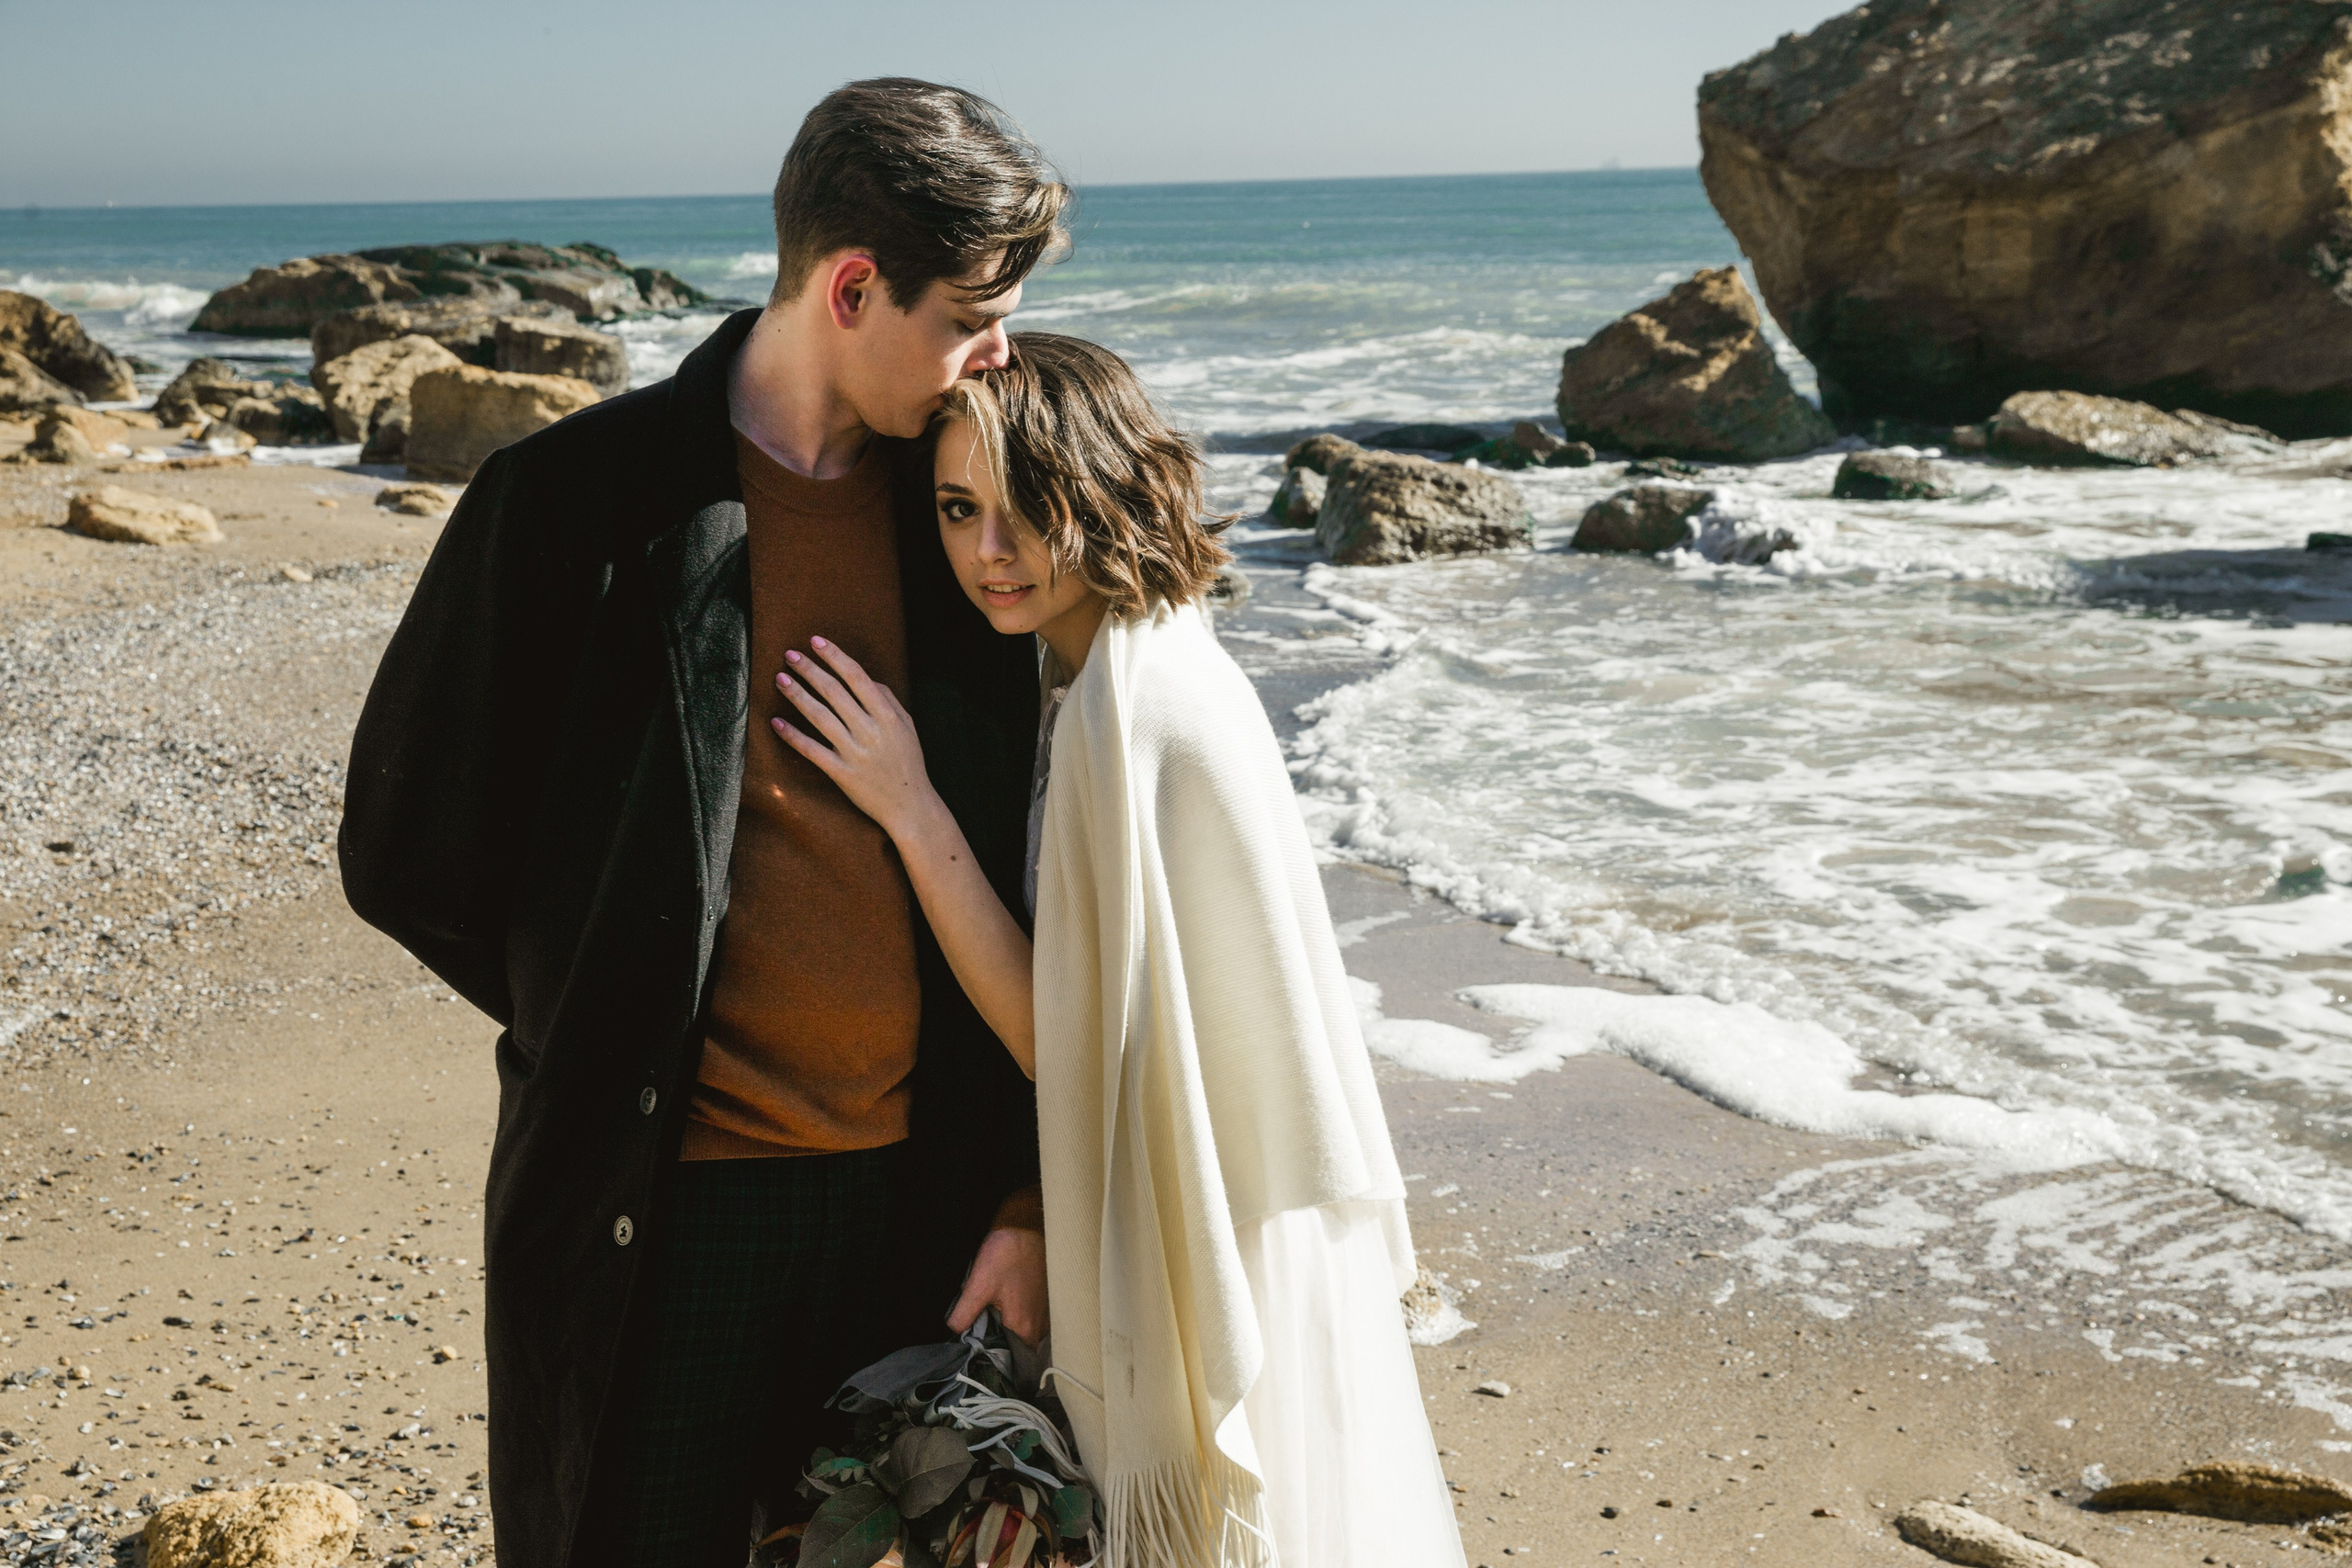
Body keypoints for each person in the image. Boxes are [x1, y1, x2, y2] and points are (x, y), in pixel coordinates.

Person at [338, 80, 1069, 1568]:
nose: (998, 356)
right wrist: (616, 1022)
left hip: (919, 1214)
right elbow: (406, 853)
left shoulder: (970, 524)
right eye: (971, 320)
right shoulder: (569, 504)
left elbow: (1045, 875)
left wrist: (1028, 1192)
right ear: (852, 288)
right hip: (659, 1216)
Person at [773, 333, 1467, 1568]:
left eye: (1027, 507)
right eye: (957, 509)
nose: (989, 552)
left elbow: (1064, 1041)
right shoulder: (1124, 662)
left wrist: (909, 806)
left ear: (1102, 487)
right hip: (1239, 1196)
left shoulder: (1136, 714)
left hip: (1225, 1231)